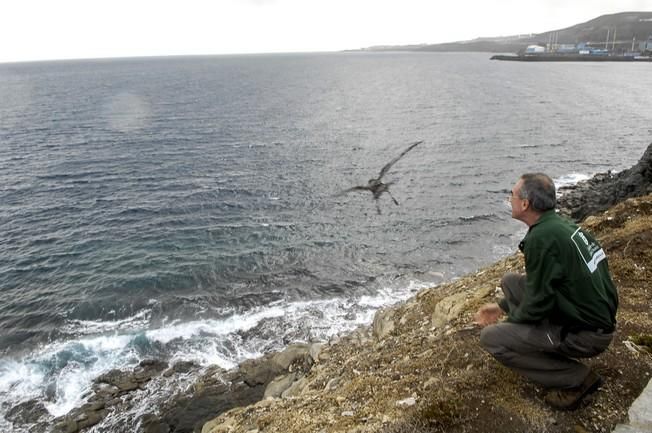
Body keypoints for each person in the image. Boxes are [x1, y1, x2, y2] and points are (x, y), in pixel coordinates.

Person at [475, 173, 618, 410]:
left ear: (525, 204)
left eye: (512, 194)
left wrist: (511, 321)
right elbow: (544, 285)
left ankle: (577, 379)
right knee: (510, 281)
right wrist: (501, 306)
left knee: (492, 338)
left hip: (585, 333)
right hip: (590, 315)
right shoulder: (560, 225)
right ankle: (540, 335)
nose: (509, 198)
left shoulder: (541, 238)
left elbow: (537, 304)